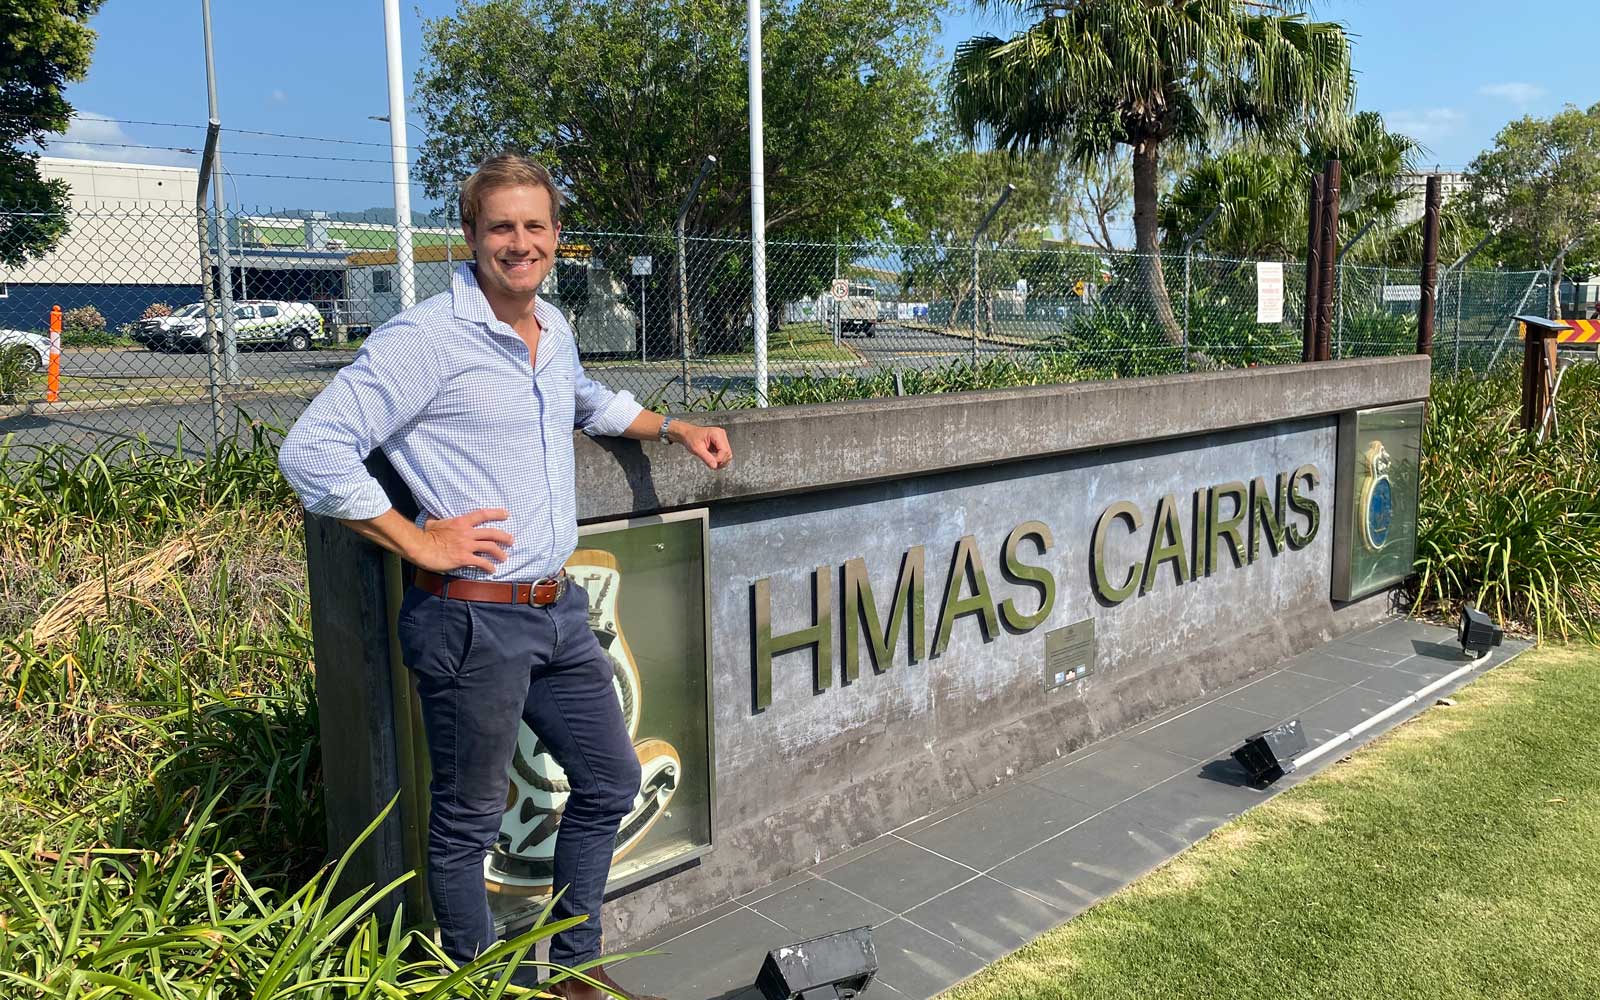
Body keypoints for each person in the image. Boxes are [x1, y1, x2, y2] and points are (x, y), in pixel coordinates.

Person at [279, 153, 731, 1000]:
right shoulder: (426, 340)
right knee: (469, 824)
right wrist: (413, 539)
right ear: (471, 238)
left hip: (555, 609)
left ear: (557, 237)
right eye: (501, 229)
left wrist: (674, 425)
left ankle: (572, 971)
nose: (519, 244)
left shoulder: (552, 329)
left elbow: (586, 401)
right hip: (469, 620)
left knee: (609, 779)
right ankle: (484, 986)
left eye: (534, 227)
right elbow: (311, 450)